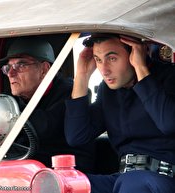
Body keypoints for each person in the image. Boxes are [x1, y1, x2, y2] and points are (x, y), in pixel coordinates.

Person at [0, 36, 96, 173]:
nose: (11, 74)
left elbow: (41, 128)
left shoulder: (71, 92)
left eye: (20, 65)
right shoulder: (9, 99)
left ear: (44, 69)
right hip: (20, 173)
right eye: (7, 68)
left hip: (64, 177)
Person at [64, 33, 175, 193]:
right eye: (98, 60)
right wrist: (82, 75)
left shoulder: (169, 77)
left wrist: (141, 68)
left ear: (135, 54)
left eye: (112, 58)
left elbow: (169, 123)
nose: (104, 70)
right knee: (63, 184)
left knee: (134, 183)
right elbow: (76, 136)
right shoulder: (108, 91)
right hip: (124, 179)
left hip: (165, 178)